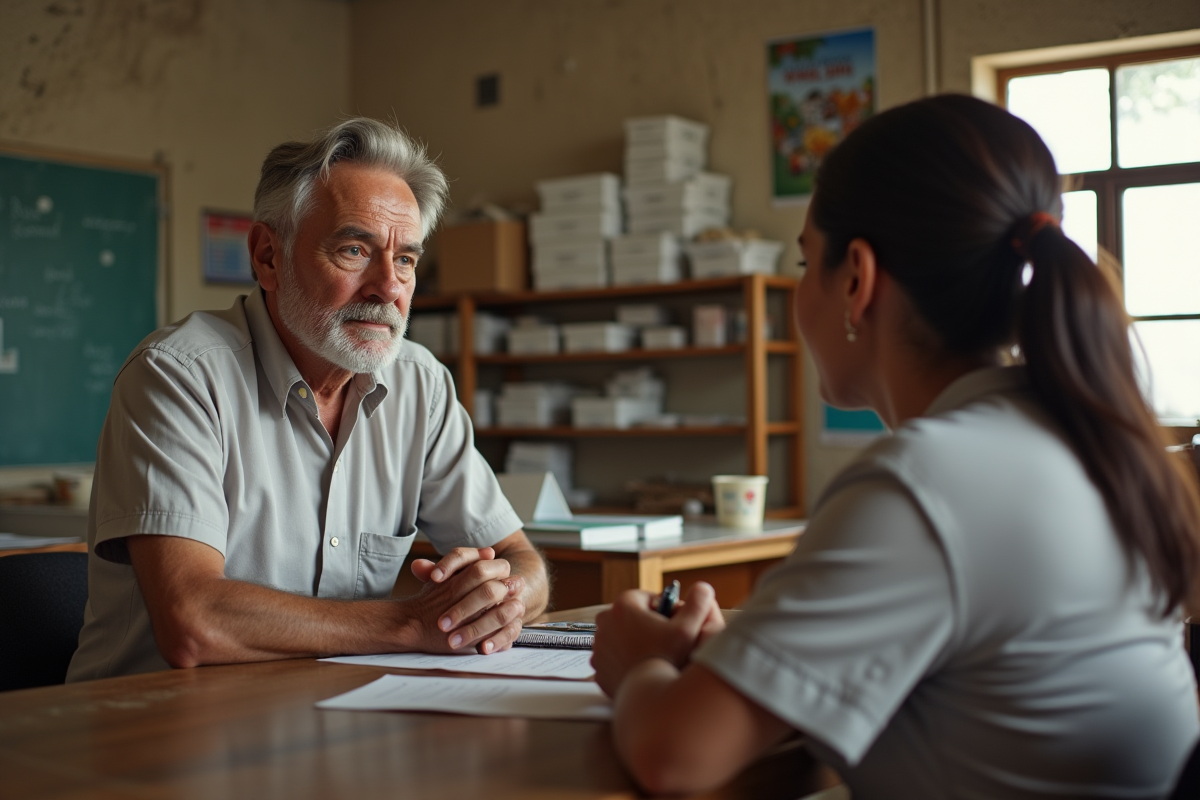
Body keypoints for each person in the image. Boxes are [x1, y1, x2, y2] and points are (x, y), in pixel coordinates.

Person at [590, 94, 1200, 798]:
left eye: (805, 262)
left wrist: (639, 663)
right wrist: (747, 658)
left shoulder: (924, 482)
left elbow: (676, 757)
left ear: (856, 277)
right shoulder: (1076, 434)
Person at [67, 118, 548, 681]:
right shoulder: (179, 376)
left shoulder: (422, 385)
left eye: (406, 260)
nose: (388, 286)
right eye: (354, 250)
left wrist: (500, 598)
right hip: (151, 719)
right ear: (268, 257)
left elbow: (522, 561)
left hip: (331, 708)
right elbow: (194, 622)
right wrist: (411, 623)